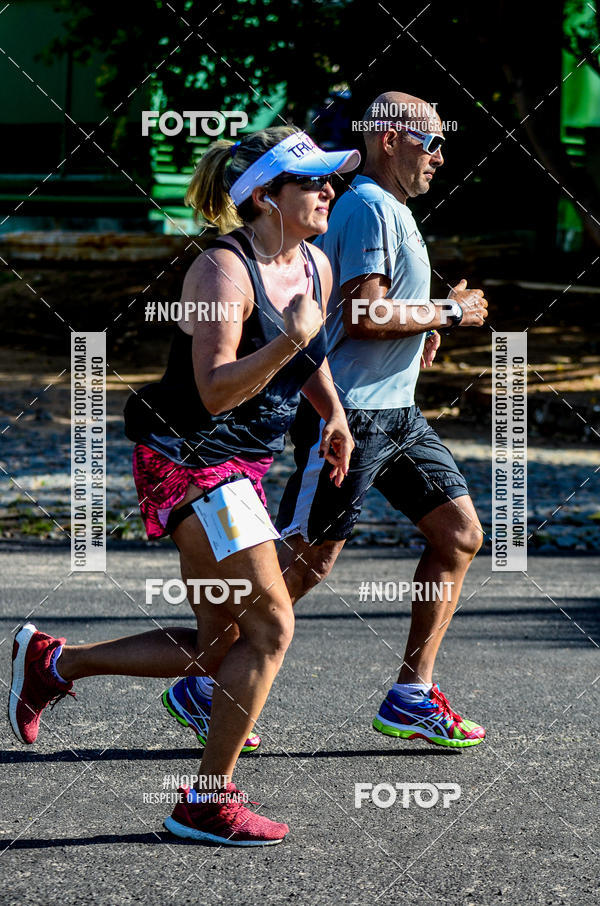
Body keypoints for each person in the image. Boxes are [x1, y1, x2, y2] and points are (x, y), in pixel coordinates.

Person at [8, 125, 358, 845]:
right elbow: (214, 390)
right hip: (189, 459)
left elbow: (312, 350)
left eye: (330, 178)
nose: (329, 190)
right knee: (270, 628)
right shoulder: (220, 272)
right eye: (313, 181)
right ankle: (206, 801)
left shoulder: (314, 262)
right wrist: (290, 339)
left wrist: (334, 413)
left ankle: (53, 662)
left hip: (242, 465)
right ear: (264, 196)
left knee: (218, 644)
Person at [276, 92, 489, 748]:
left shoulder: (390, 207)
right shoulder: (368, 205)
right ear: (389, 138)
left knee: (459, 535)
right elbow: (366, 314)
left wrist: (423, 322)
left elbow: (384, 309)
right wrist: (448, 313)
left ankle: (411, 696)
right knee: (304, 564)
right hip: (348, 416)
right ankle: (202, 675)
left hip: (396, 413)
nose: (441, 157)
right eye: (432, 142)